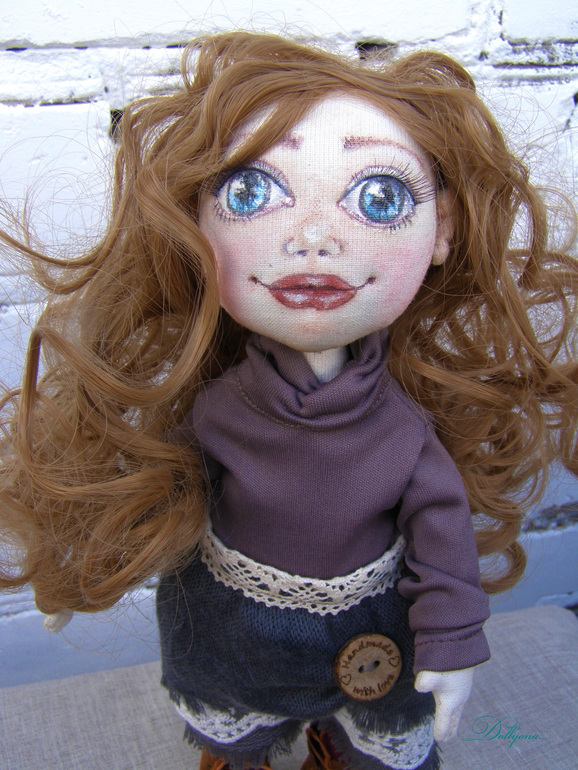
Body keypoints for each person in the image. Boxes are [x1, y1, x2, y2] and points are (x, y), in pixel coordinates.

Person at [0, 31, 576, 770]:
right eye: (250, 194)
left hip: (377, 633)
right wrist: (79, 565)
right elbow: (154, 492)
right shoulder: (214, 412)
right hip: (229, 629)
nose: (312, 239)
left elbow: (443, 538)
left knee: (379, 740)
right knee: (232, 730)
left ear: (444, 231)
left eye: (379, 198)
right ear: (193, 224)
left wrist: (453, 641)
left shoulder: (405, 434)